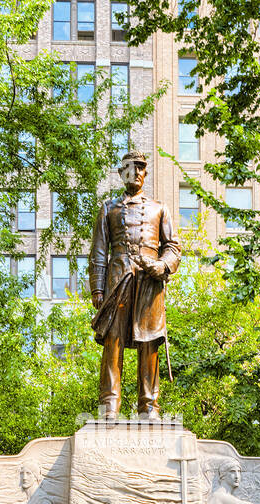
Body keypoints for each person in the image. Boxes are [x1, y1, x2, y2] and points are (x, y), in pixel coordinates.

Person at [89, 149, 182, 420]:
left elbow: (174, 247)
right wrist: (97, 288)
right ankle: (110, 405)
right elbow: (98, 251)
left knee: (150, 342)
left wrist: (161, 265)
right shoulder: (108, 208)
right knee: (113, 343)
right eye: (130, 167)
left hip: (150, 285)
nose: (136, 172)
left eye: (141, 167)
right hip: (117, 281)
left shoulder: (159, 208)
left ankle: (149, 406)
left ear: (146, 173)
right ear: (121, 174)